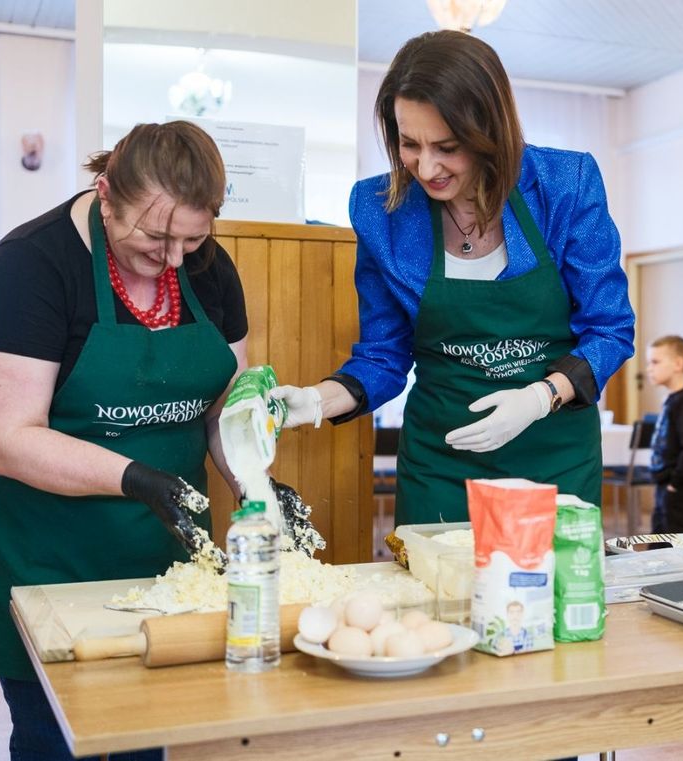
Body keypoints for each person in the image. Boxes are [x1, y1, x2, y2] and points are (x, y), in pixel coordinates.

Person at [0, 121, 259, 761]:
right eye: (154, 236)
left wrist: (254, 481)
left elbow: (222, 409)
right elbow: (8, 439)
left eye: (193, 238)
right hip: (47, 557)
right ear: (107, 193)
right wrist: (137, 478)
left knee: (148, 737)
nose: (175, 258)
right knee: (57, 739)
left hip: (163, 560)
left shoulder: (209, 268)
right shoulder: (27, 268)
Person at [272, 30, 635, 524]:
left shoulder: (563, 185)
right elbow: (384, 354)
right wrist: (317, 400)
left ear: (491, 129)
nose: (427, 167)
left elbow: (610, 329)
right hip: (440, 464)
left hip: (554, 460)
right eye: (409, 144)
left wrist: (539, 397)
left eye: (447, 146)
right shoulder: (382, 211)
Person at [644, 336, 683, 535]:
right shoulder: (672, 399)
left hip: (680, 490)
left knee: (676, 541)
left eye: (655, 362)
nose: (649, 368)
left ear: (678, 364)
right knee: (659, 536)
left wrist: (676, 483)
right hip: (666, 486)